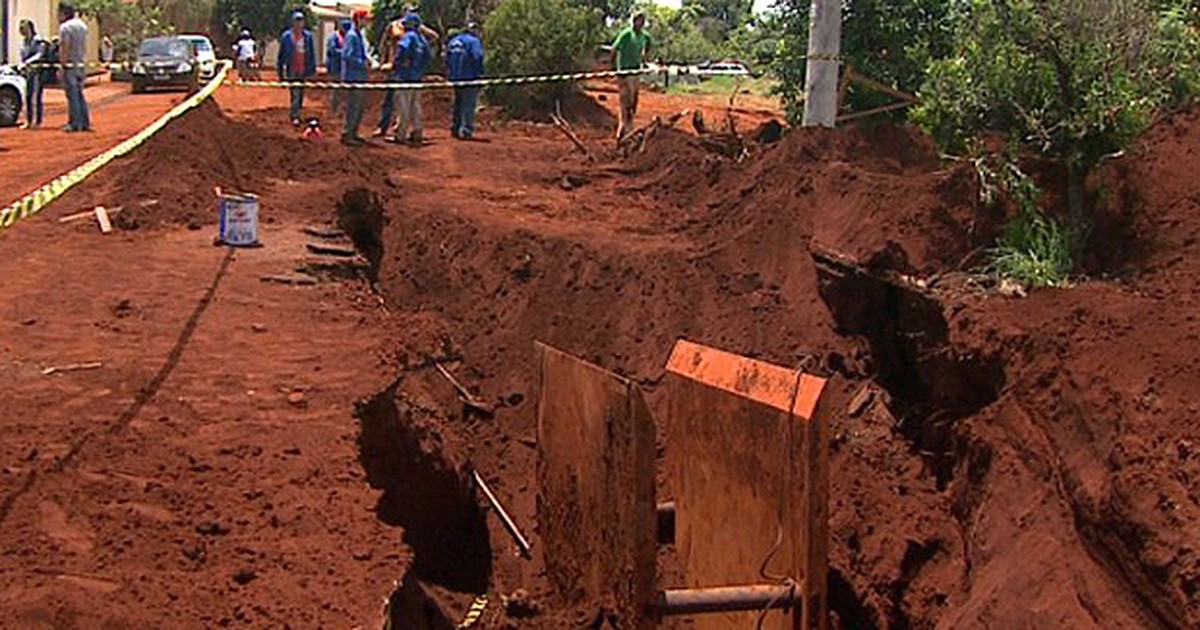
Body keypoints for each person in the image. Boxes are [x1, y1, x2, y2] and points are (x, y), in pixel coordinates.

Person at [376, 4, 438, 137]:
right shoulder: (396, 27)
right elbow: (384, 45)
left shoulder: (412, 33)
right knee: (405, 102)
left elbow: (404, 51)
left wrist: (398, 63)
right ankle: (410, 130)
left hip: (403, 72)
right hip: (408, 73)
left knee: (403, 103)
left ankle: (401, 132)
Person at [391, 12, 431, 145]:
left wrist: (396, 64)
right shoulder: (422, 39)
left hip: (404, 77)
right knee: (416, 106)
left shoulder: (408, 37)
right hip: (417, 77)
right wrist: (420, 69)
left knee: (403, 107)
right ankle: (417, 132)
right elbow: (427, 56)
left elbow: (402, 49)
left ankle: (400, 134)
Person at [611, 11, 652, 140]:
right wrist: (614, 69)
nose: (640, 23)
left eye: (642, 20)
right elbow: (614, 49)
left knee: (634, 101)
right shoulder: (626, 34)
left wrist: (644, 57)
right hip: (624, 72)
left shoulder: (644, 36)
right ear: (633, 21)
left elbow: (649, 44)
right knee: (626, 101)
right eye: (638, 20)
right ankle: (623, 129)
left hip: (636, 72)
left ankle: (629, 126)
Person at [277, 10, 317, 126]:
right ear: (293, 22)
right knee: (295, 92)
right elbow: (281, 55)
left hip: (303, 67)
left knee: (301, 93)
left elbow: (311, 53)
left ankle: (297, 112)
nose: (299, 23)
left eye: (301, 21)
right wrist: (280, 73)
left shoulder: (308, 36)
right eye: (297, 21)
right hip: (292, 68)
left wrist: (312, 69)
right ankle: (295, 115)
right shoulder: (286, 36)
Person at [446, 22, 484, 140]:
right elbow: (478, 56)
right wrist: (480, 72)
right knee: (468, 104)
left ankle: (455, 128)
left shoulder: (453, 41)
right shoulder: (473, 42)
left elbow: (446, 58)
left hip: (456, 77)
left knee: (458, 104)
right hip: (470, 77)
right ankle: (466, 131)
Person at [58, 3, 90, 133]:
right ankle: (85, 122)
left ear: (64, 13)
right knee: (80, 94)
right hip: (81, 64)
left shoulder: (65, 27)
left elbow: (65, 46)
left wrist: (62, 65)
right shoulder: (82, 26)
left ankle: (75, 123)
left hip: (70, 65)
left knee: (72, 95)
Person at [341, 9, 371, 146]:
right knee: (353, 106)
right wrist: (362, 63)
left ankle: (354, 132)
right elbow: (346, 56)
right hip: (354, 77)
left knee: (359, 107)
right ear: (358, 19)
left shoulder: (358, 35)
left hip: (360, 77)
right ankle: (348, 133)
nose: (367, 22)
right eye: (365, 19)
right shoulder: (352, 36)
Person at [18, 19, 47, 129]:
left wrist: (27, 62)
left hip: (38, 72)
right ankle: (29, 121)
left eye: (24, 28)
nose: (22, 31)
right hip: (29, 72)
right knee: (28, 96)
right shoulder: (25, 41)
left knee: (37, 96)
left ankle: (37, 121)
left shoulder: (38, 40)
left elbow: (40, 54)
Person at [326, 19, 349, 114]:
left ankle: (342, 110)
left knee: (343, 90)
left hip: (344, 68)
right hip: (335, 67)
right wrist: (344, 53)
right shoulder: (333, 37)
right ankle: (334, 109)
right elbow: (332, 50)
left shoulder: (348, 37)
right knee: (335, 90)